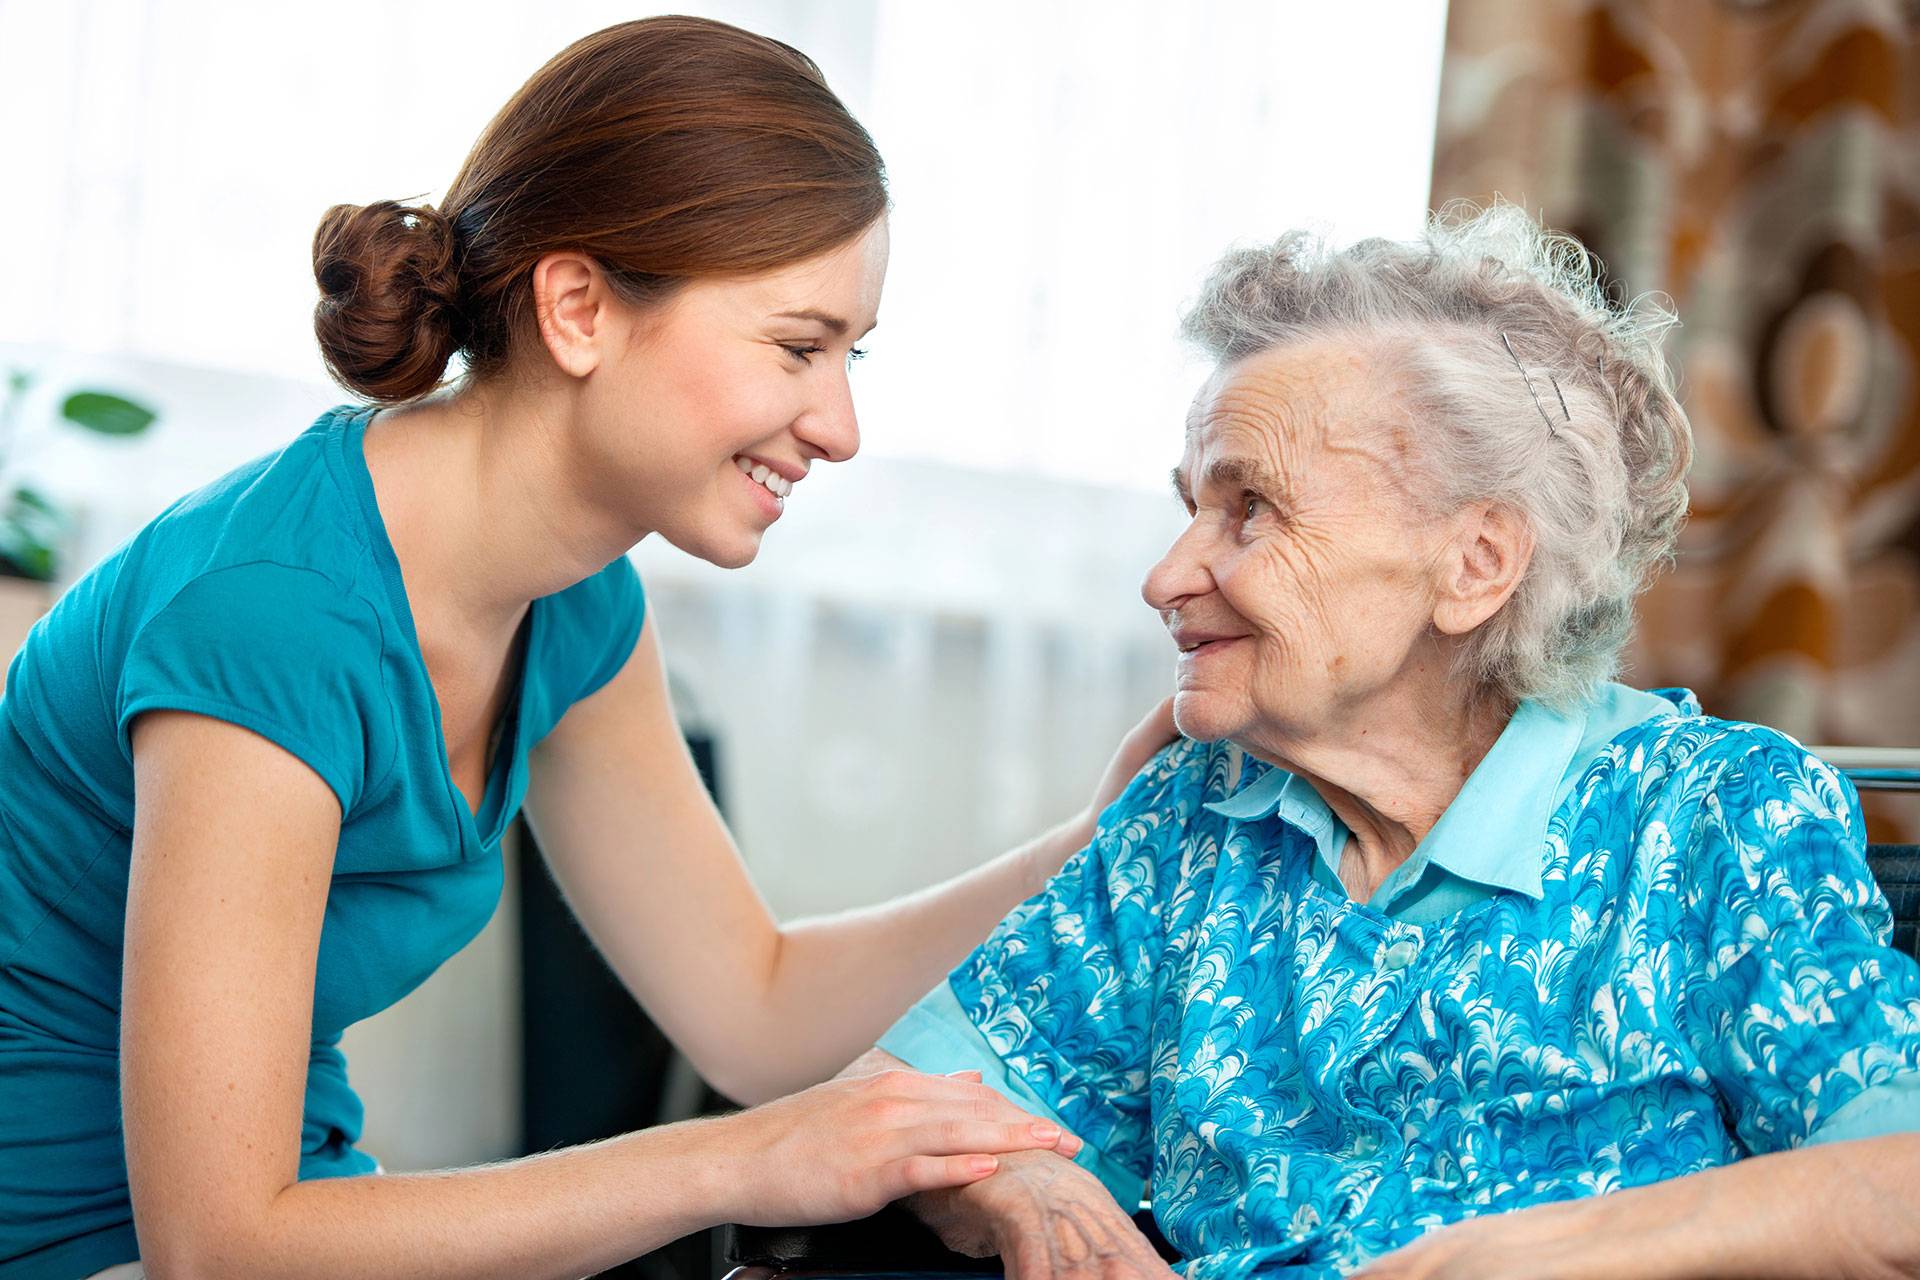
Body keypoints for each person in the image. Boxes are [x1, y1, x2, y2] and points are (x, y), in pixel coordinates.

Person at [0, 17, 1176, 1279]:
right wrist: (743, 1156)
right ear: (577, 309)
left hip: (300, 1213)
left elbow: (755, 1006)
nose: (838, 425)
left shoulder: (576, 603)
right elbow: (219, 1244)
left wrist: (1095, 846)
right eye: (797, 346)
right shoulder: (275, 617)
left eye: (852, 355)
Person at [851, 205, 1920, 1280]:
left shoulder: (1710, 817)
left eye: (1251, 508)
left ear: (1475, 564)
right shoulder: (1193, 822)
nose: (1166, 577)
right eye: (1189, 508)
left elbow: (1895, 1184)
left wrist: (1535, 1253)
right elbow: (906, 1106)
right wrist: (1024, 1180)